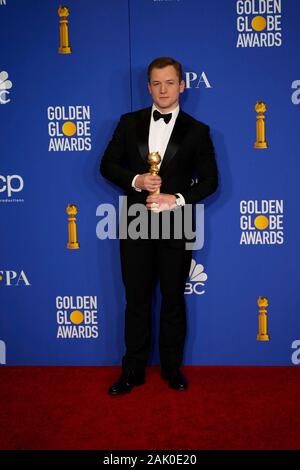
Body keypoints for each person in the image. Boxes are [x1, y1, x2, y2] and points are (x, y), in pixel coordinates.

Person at [100, 57, 218, 395]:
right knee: (136, 300)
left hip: (178, 222)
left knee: (172, 301)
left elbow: (210, 181)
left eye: (169, 82)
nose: (163, 89)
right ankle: (133, 371)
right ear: (148, 86)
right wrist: (136, 178)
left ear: (182, 86)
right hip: (135, 221)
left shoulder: (198, 131)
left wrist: (176, 198)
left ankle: (171, 369)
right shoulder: (128, 122)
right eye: (156, 83)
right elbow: (107, 166)